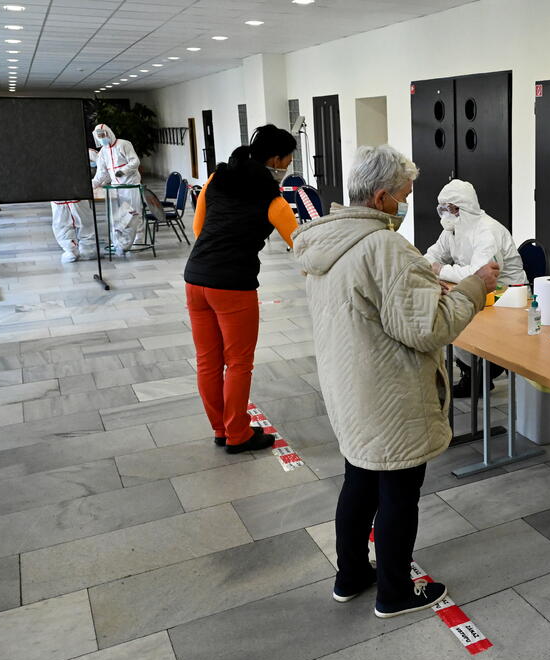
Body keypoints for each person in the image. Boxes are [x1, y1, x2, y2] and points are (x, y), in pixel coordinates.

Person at [293, 145, 499, 618]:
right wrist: (475, 287)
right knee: (399, 494)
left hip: (350, 385)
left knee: (359, 483)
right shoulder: (385, 247)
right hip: (389, 393)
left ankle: (350, 576)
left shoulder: (330, 242)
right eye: (405, 195)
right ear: (383, 197)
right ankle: (394, 592)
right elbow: (428, 328)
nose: (408, 205)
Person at [184, 124, 299, 453]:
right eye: (287, 162)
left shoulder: (217, 177)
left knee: (208, 361)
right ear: (275, 159)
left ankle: (221, 429)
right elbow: (303, 245)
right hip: (233, 286)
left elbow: (198, 227)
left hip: (195, 278)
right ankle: (238, 434)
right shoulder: (272, 199)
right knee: (238, 362)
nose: (287, 169)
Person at [423, 179, 526, 397]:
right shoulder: (452, 229)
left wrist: (439, 270)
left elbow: (480, 275)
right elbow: (431, 256)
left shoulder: (487, 231)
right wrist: (427, 266)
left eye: (448, 209)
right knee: (455, 315)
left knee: (462, 320)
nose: (444, 214)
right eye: (442, 209)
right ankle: (474, 374)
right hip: (483, 295)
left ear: (461, 208)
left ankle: (487, 368)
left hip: (507, 298)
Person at [90, 123, 142, 255]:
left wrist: (123, 171)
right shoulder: (103, 152)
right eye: (99, 136)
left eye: (103, 135)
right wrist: (92, 185)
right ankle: (120, 241)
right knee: (118, 216)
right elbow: (101, 173)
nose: (102, 138)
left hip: (130, 185)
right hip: (115, 188)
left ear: (109, 133)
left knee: (133, 213)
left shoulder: (123, 144)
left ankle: (137, 240)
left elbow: (135, 161)